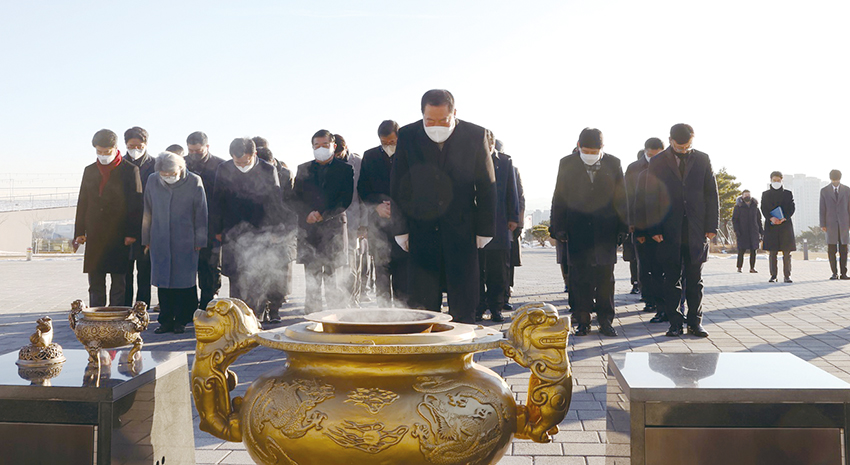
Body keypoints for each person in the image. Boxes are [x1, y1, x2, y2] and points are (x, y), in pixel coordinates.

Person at [390, 89, 496, 324]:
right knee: (423, 304)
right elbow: (398, 185)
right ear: (422, 116)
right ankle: (425, 353)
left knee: (464, 300)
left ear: (454, 114)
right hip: (421, 230)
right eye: (430, 121)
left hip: (462, 230)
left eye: (443, 120)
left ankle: (461, 350)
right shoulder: (408, 135)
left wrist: (485, 228)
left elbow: (487, 186)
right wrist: (400, 228)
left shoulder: (475, 135)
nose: (436, 126)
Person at [640, 123, 718, 338]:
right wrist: (653, 227)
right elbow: (651, 196)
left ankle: (695, 322)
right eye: (679, 146)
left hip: (696, 229)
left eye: (687, 146)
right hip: (668, 229)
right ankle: (674, 323)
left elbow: (711, 192)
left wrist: (712, 226)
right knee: (671, 278)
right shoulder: (657, 162)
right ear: (671, 140)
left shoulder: (702, 159)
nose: (684, 150)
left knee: (695, 280)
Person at [550, 128, 627, 337]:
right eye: (586, 150)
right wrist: (559, 227)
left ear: (602, 148)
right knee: (579, 278)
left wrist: (623, 227)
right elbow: (560, 196)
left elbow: (621, 198)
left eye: (595, 151)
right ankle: (582, 320)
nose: (590, 155)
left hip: (606, 230)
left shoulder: (614, 163)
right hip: (577, 229)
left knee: (605, 278)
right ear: (578, 146)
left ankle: (606, 321)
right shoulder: (567, 163)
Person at [210, 137, 287, 320]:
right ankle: (237, 319)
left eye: (245, 161)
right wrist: (217, 230)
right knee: (236, 276)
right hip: (232, 231)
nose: (241, 165)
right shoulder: (224, 169)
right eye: (237, 162)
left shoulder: (268, 170)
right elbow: (217, 201)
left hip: (261, 232)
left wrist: (275, 231)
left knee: (258, 275)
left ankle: (255, 318)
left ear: (254, 154)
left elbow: (275, 202)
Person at [74, 129, 143, 307]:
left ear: (115, 148)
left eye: (107, 152)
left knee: (119, 282)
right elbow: (83, 202)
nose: (103, 155)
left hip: (119, 235)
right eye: (99, 152)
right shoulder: (89, 170)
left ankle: (116, 318)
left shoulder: (130, 170)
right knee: (95, 281)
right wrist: (80, 231)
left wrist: (132, 233)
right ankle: (97, 317)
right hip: (95, 234)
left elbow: (136, 205)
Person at [142, 152, 207, 334]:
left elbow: (201, 212)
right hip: (159, 237)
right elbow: (147, 210)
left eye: (171, 174)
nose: (168, 177)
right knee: (163, 282)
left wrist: (200, 239)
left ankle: (182, 320)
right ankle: (165, 320)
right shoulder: (153, 180)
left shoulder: (194, 181)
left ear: (180, 169)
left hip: (186, 239)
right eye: (164, 174)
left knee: (183, 282)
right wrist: (146, 238)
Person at [294, 130, 354, 313]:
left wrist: (323, 214)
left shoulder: (345, 169)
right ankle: (311, 316)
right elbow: (292, 198)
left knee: (332, 278)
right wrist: (307, 214)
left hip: (333, 230)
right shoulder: (303, 169)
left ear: (333, 146)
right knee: (311, 278)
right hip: (309, 230)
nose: (320, 149)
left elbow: (345, 199)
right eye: (317, 145)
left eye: (325, 145)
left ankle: (334, 316)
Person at [358, 120, 409, 307]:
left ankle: (404, 315)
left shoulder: (409, 155)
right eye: (384, 143)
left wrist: (398, 209)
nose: (388, 146)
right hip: (379, 226)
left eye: (392, 142)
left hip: (403, 225)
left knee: (403, 273)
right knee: (380, 271)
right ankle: (383, 313)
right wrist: (377, 205)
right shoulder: (370, 156)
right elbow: (363, 189)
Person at [476, 131, 519, 323]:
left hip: (500, 223)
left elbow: (512, 191)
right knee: (476, 271)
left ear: (492, 144)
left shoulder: (505, 162)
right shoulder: (470, 159)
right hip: (476, 224)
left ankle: (496, 308)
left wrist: (513, 217)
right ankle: (477, 307)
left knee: (498, 271)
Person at [185, 131, 226, 310]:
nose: (194, 154)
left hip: (212, 225)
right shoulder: (182, 163)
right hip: (188, 224)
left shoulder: (220, 166)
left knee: (210, 266)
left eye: (198, 151)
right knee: (188, 266)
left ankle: (208, 303)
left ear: (207, 147)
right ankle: (190, 306)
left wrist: (221, 228)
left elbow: (224, 199)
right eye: (191, 151)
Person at [256, 145, 296, 321]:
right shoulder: (253, 173)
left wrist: (283, 232)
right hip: (260, 230)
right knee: (261, 270)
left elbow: (294, 206)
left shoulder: (287, 176)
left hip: (282, 231)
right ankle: (261, 307)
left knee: (279, 273)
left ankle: (275, 309)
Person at [628, 137, 665, 315]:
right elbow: (629, 199)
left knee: (662, 266)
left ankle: (662, 300)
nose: (654, 159)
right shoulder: (634, 169)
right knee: (644, 265)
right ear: (645, 152)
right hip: (641, 225)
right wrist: (633, 225)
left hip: (663, 227)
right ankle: (648, 299)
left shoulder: (669, 168)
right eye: (651, 155)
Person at [334, 134, 369, 304]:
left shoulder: (359, 163)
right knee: (338, 265)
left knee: (353, 264)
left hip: (354, 221)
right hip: (334, 223)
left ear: (345, 148)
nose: (337, 157)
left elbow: (363, 195)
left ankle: (354, 300)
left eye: (340, 154)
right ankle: (340, 301)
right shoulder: (328, 163)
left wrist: (364, 224)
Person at [123, 126, 155, 308]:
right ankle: (125, 308)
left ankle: (142, 308)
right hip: (125, 226)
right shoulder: (120, 164)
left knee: (145, 272)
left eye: (138, 145)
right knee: (125, 273)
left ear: (146, 144)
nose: (135, 149)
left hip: (146, 226)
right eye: (131, 145)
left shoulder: (156, 164)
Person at [761, 171, 795, 283]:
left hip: (785, 226)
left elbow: (792, 208)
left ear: (782, 180)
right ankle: (773, 275)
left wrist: (784, 217)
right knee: (772, 252)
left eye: (778, 180)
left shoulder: (788, 193)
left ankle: (787, 275)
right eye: (774, 180)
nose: (776, 182)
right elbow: (763, 208)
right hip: (771, 226)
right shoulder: (766, 194)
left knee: (786, 252)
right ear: (770, 180)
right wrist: (771, 218)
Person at [505, 140, 525, 310]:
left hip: (509, 225)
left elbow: (519, 198)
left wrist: (518, 222)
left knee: (508, 260)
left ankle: (506, 290)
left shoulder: (512, 170)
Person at [820, 170, 850, 280]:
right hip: (830, 224)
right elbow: (822, 208)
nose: (835, 182)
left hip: (844, 224)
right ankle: (834, 273)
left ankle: (844, 273)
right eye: (834, 180)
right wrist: (822, 223)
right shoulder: (824, 191)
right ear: (830, 179)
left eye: (837, 180)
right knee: (832, 249)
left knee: (844, 249)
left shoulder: (847, 190)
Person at [732, 189, 763, 273]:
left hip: (754, 231)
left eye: (748, 195)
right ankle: (739, 267)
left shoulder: (755, 207)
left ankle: (752, 268)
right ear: (742, 196)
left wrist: (761, 231)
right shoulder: (738, 206)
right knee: (741, 250)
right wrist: (736, 230)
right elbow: (735, 220)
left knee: (754, 250)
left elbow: (759, 220)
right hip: (742, 231)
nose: (747, 196)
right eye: (745, 195)